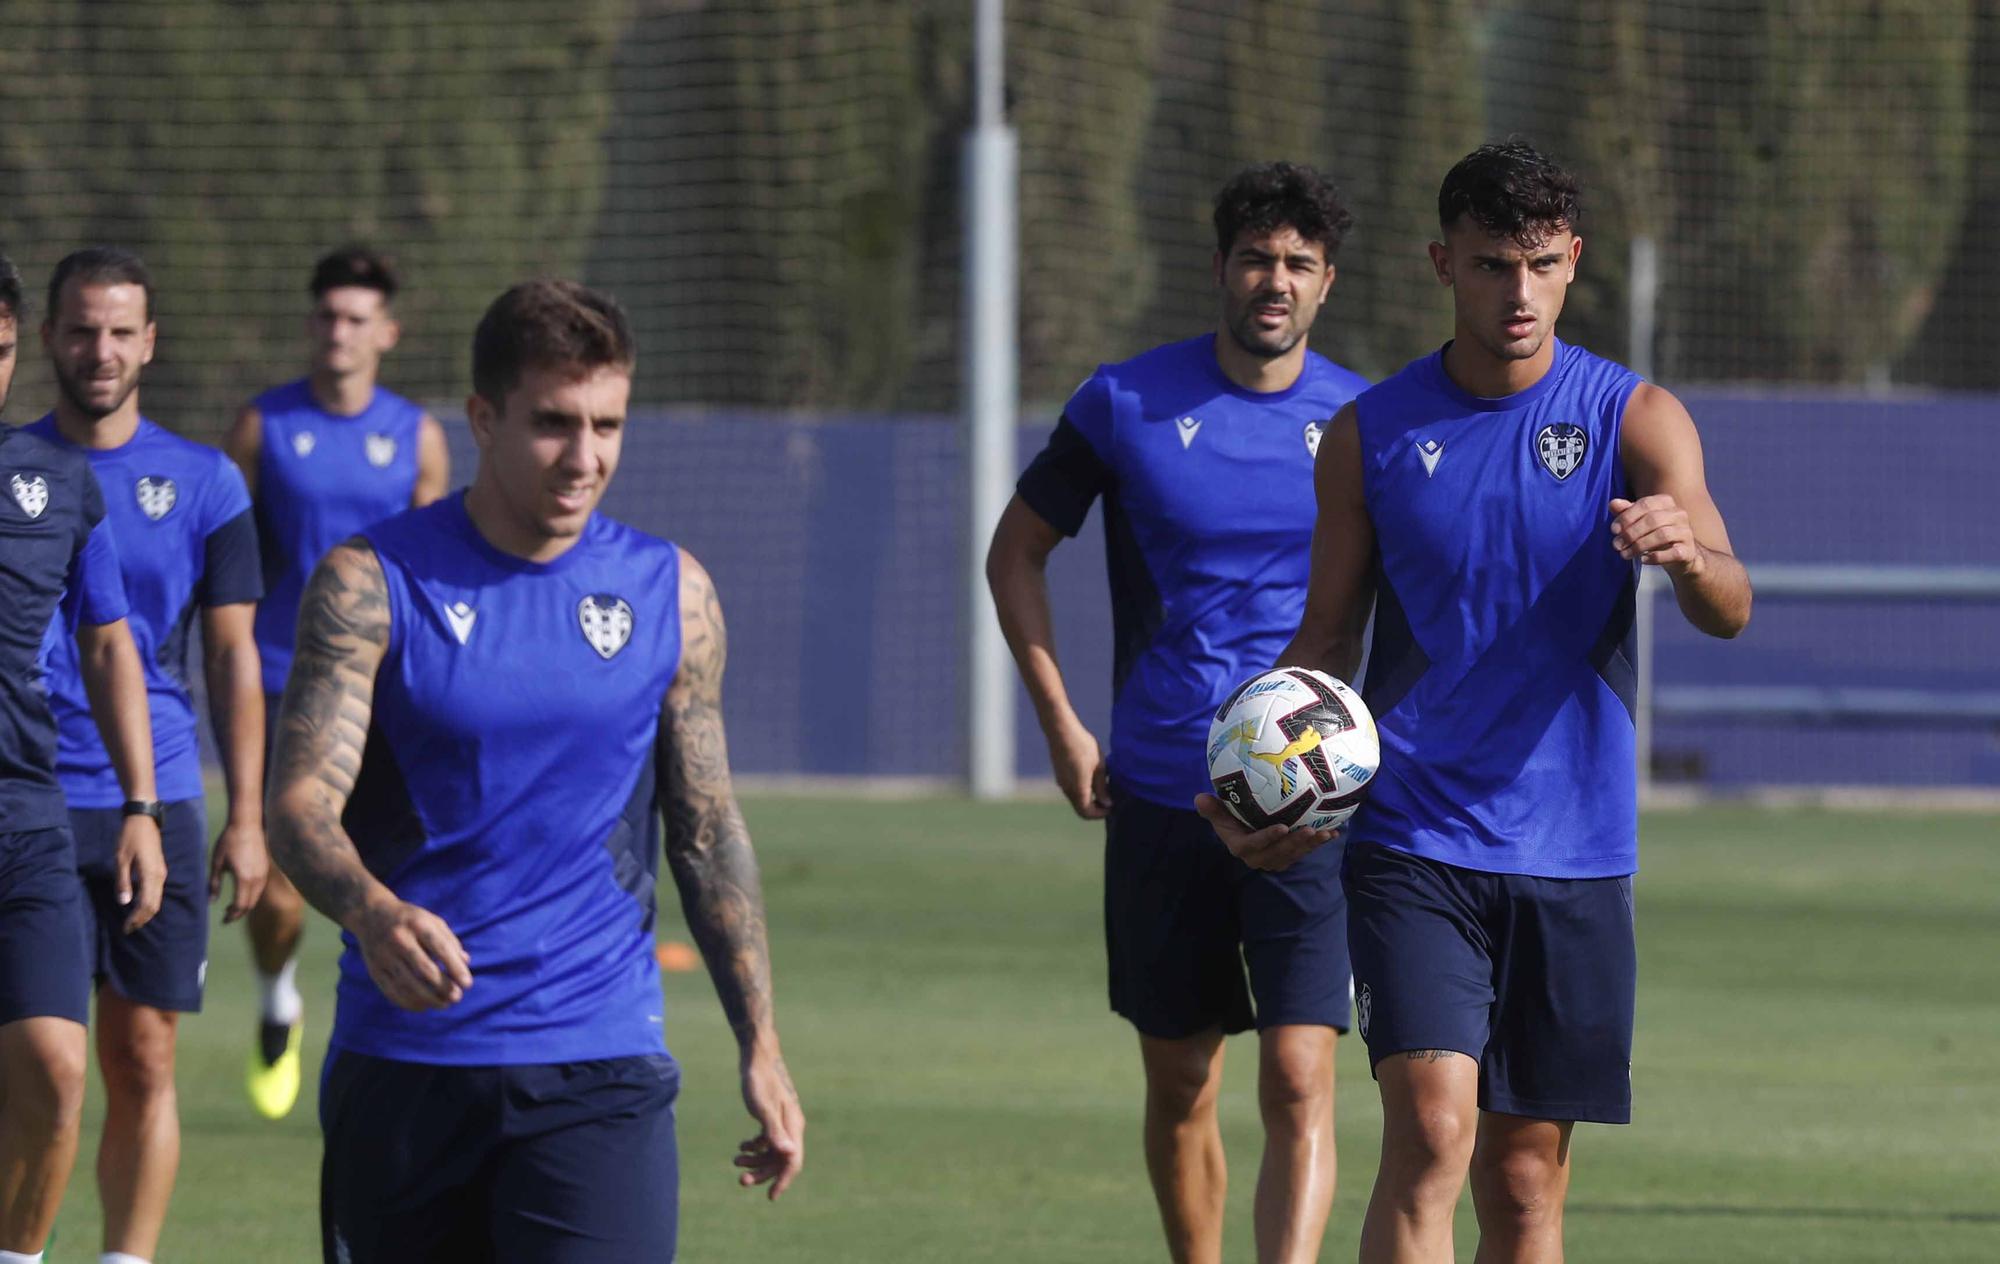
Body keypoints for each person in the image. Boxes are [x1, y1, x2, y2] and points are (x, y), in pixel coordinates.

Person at [1198, 141, 1753, 1262]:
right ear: (1441, 263)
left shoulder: (1634, 418)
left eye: (1541, 265)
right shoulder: (1371, 433)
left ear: (1572, 263)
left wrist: (1685, 553)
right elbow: (1322, 640)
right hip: (1414, 838)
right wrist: (1252, 784)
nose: (1518, 292)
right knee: (1431, 1135)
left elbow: (1730, 605)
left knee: (1521, 1177)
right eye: (1493, 265)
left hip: (1576, 846)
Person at [266, 279, 803, 1263]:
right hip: (407, 1061)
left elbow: (706, 829)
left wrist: (758, 1044)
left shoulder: (670, 593)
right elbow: (298, 804)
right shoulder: (369, 584)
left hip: (596, 1058)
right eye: (554, 423)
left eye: (608, 424)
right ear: (483, 417)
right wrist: (373, 912)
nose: (586, 456)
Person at [987, 162, 1368, 1264]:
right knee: (1181, 1078)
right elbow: (1014, 553)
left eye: (1298, 262)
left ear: (1325, 283)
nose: (1274, 279)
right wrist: (1061, 722)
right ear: (1218, 268)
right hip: (1160, 789)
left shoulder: (1360, 418)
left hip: (1308, 802)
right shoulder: (1124, 402)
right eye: (1256, 256)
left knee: (1300, 1076)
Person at [28, 247, 268, 1264]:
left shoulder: (207, 481)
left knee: (144, 1056)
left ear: (151, 343)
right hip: (25, 795)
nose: (101, 349)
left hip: (155, 798)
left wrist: (247, 816)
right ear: (47, 337)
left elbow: (231, 653)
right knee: (38, 1065)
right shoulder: (11, 470)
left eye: (122, 330)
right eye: (82, 328)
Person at [222, 245, 448, 1120]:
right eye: (326, 315)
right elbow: (226, 555)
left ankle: (404, 1051)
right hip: (282, 678)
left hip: (392, 687)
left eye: (356, 318)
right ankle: (278, 997)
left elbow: (435, 564)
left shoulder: (417, 435)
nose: (339, 332)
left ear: (386, 332)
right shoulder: (263, 426)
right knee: (280, 886)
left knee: (403, 869)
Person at [0, 250, 164, 1264]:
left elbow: (109, 643)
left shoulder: (55, 482)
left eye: (0, 351)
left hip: (24, 820)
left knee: (62, 1073)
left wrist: (142, 803)